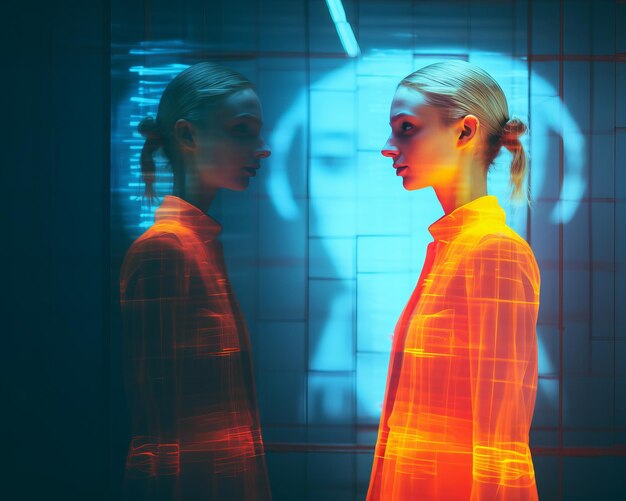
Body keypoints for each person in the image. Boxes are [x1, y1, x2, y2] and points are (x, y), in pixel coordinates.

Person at [367, 60, 540, 500]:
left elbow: (502, 446)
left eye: (406, 128)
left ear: (464, 132)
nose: (388, 147)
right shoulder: (452, 247)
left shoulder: (493, 252)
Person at [119, 62, 272, 500]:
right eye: (243, 131)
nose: (262, 148)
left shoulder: (196, 245)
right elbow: (158, 428)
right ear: (187, 136)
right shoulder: (166, 250)